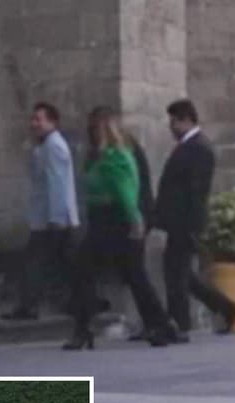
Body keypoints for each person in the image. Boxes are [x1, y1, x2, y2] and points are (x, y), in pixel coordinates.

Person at [65, 106, 178, 350]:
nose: (90, 132)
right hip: (104, 220)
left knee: (120, 273)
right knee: (123, 274)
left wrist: (136, 220)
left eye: (93, 126)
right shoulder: (101, 155)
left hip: (115, 221)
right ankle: (160, 325)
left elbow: (126, 191)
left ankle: (160, 325)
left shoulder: (114, 155)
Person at [153, 99, 235, 341]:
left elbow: (197, 191)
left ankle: (179, 326)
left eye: (174, 122)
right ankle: (226, 308)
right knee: (182, 274)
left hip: (185, 222)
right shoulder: (188, 146)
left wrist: (192, 226)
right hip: (177, 221)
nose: (171, 127)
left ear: (186, 120)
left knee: (176, 275)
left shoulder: (200, 148)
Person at [2, 102, 81, 321]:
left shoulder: (53, 146)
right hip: (51, 217)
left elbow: (57, 184)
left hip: (51, 219)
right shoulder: (45, 146)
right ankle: (78, 302)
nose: (33, 123)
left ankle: (30, 306)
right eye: (33, 119)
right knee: (61, 262)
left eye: (39, 119)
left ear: (52, 122)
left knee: (37, 261)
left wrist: (56, 218)